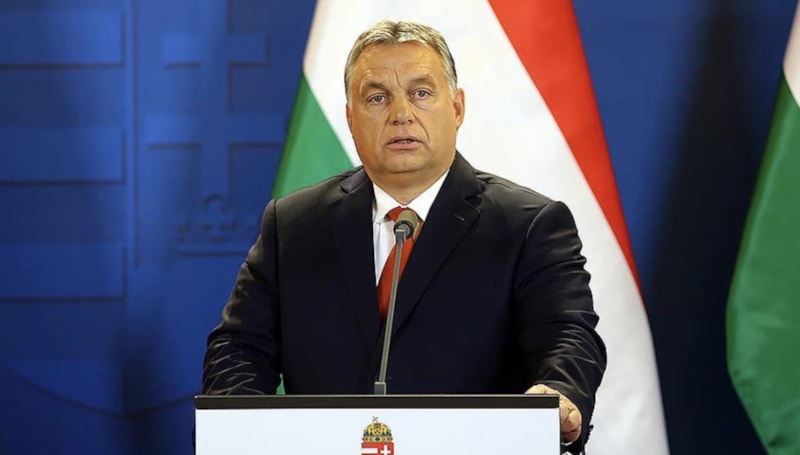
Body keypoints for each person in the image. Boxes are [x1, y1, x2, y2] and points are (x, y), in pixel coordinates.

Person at [203, 20, 606, 453]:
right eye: (377, 98)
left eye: (421, 93)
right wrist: (241, 427)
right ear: (351, 118)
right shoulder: (294, 225)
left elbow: (568, 334)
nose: (401, 114)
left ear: (457, 108)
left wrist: (560, 389)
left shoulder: (528, 225)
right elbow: (239, 347)